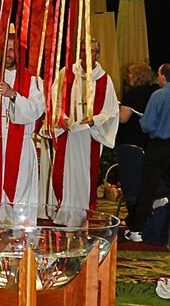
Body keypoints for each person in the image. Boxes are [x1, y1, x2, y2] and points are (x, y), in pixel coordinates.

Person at [0, 33, 45, 205]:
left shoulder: (33, 81)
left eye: (13, 50)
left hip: (21, 150)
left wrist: (13, 95)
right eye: (6, 49)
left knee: (20, 198)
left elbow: (37, 109)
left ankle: (19, 231)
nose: (9, 54)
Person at [51, 38, 119, 211]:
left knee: (84, 174)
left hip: (90, 135)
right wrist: (61, 118)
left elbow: (112, 110)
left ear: (97, 55)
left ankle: (83, 211)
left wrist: (94, 119)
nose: (86, 55)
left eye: (92, 51)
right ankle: (64, 209)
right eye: (83, 50)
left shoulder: (104, 79)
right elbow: (54, 99)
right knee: (65, 173)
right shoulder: (66, 73)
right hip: (69, 133)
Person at [125, 63, 170, 242]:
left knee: (148, 188)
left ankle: (137, 230)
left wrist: (144, 120)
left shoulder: (158, 96)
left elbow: (147, 125)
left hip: (158, 147)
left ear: (162, 76)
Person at [116, 62, 158, 149]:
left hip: (134, 138)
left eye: (131, 74)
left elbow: (123, 118)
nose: (129, 76)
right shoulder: (155, 92)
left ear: (137, 76)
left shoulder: (132, 94)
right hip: (152, 138)